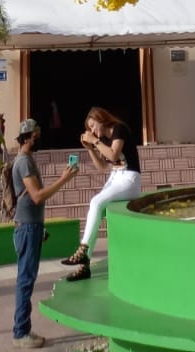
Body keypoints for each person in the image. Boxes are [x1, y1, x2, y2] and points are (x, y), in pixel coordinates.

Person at [10, 116, 79, 348]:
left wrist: (40, 227)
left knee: (26, 279)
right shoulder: (23, 163)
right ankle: (20, 333)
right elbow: (37, 196)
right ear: (27, 138)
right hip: (27, 228)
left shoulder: (27, 160)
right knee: (25, 281)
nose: (39, 138)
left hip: (32, 227)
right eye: (36, 136)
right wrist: (63, 179)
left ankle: (23, 330)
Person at [61, 106, 142, 281]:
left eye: (93, 126)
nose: (92, 130)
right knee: (95, 207)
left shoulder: (118, 129)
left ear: (100, 119)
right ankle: (84, 266)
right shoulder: (104, 138)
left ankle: (83, 250)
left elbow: (113, 156)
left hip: (129, 178)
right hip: (115, 177)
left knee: (96, 202)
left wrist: (96, 142)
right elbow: (103, 167)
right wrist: (90, 148)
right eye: (89, 129)